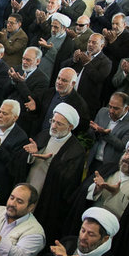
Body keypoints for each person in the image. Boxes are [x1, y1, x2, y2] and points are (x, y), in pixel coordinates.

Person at [26, 103, 86, 240]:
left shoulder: (76, 151)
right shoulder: (43, 135)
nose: (53, 126)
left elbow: (69, 181)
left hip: (47, 199)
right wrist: (31, 155)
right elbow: (25, 159)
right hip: (29, 186)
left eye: (59, 124)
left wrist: (49, 162)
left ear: (70, 127)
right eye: (53, 121)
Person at [0, 99, 30, 203]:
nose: (0, 115)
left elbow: (14, 164)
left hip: (0, 181)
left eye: (5, 113)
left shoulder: (21, 137)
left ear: (15, 117)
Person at [87, 92, 129, 171]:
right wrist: (94, 130)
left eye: (116, 108)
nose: (111, 111)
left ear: (126, 108)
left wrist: (105, 134)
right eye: (110, 106)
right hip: (93, 160)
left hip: (111, 166)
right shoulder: (102, 112)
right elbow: (91, 136)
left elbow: (123, 147)